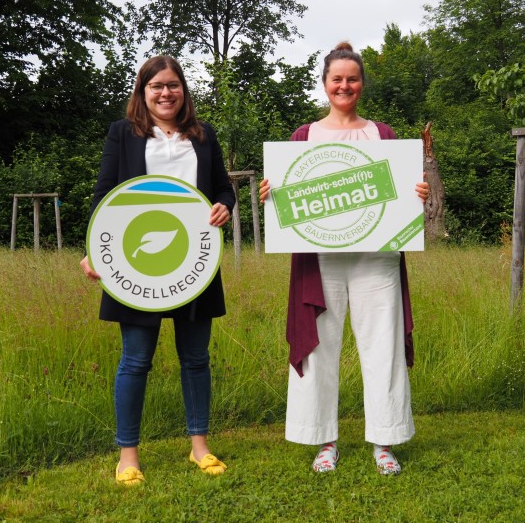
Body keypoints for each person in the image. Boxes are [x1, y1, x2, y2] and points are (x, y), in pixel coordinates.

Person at [259, 42, 429, 475]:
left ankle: (385, 443)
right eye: (337, 78)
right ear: (325, 83)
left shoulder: (384, 136)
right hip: (320, 262)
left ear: (362, 84)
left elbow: (404, 195)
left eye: (352, 78)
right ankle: (323, 442)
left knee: (383, 347)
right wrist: (270, 195)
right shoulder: (303, 137)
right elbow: (288, 199)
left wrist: (418, 194)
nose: (344, 85)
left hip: (377, 258)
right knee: (319, 350)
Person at [80, 55, 235, 486]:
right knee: (134, 361)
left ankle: (199, 447)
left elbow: (222, 186)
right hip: (136, 264)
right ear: (142, 91)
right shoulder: (122, 134)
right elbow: (104, 195)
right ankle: (128, 456)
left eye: (173, 85)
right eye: (156, 86)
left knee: (196, 359)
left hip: (194, 262)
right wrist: (93, 249)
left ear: (183, 89)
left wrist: (226, 204)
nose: (166, 93)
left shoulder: (203, 136)